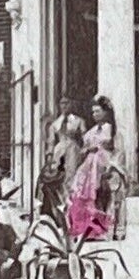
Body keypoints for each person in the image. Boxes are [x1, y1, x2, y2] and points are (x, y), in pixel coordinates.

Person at [67, 95, 119, 240]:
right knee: (81, 193)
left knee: (99, 193)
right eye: (93, 112)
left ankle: (102, 229)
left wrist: (97, 148)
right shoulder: (92, 130)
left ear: (105, 112)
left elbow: (110, 145)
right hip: (90, 164)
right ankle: (86, 228)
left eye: (98, 111)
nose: (95, 115)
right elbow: (85, 146)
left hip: (102, 161)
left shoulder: (109, 128)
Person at [49, 98, 86, 190]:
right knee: (58, 173)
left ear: (72, 104)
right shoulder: (55, 123)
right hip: (60, 149)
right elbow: (51, 141)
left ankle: (71, 198)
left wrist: (84, 150)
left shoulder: (78, 121)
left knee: (72, 172)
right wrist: (50, 155)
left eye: (67, 103)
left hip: (73, 148)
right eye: (62, 103)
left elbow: (85, 137)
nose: (64, 106)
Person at [34, 154, 67, 228]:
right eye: (49, 159)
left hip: (51, 193)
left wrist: (60, 173)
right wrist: (59, 174)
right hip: (45, 193)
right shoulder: (45, 169)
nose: (51, 161)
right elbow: (49, 178)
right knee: (48, 208)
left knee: (53, 208)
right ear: (46, 160)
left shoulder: (52, 169)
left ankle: (53, 222)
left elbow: (56, 180)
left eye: (51, 159)